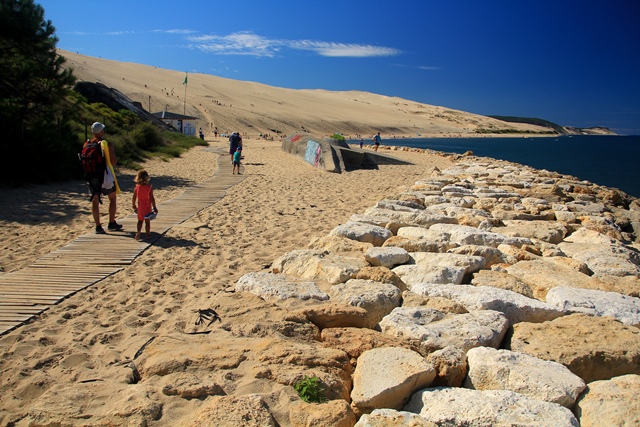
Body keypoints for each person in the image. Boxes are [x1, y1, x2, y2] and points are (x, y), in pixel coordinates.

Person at [86, 122, 122, 234]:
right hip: (104, 176)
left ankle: (98, 226)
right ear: (102, 132)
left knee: (95, 201)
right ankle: (111, 222)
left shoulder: (86, 144)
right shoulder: (105, 144)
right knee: (112, 198)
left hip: (91, 176)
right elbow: (113, 161)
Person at [131, 169, 158, 241]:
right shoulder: (149, 187)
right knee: (147, 221)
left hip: (140, 207)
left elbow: (134, 197)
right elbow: (152, 198)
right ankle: (147, 235)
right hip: (147, 206)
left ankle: (138, 233)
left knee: (140, 221)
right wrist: (154, 207)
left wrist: (133, 205)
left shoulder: (137, 188)